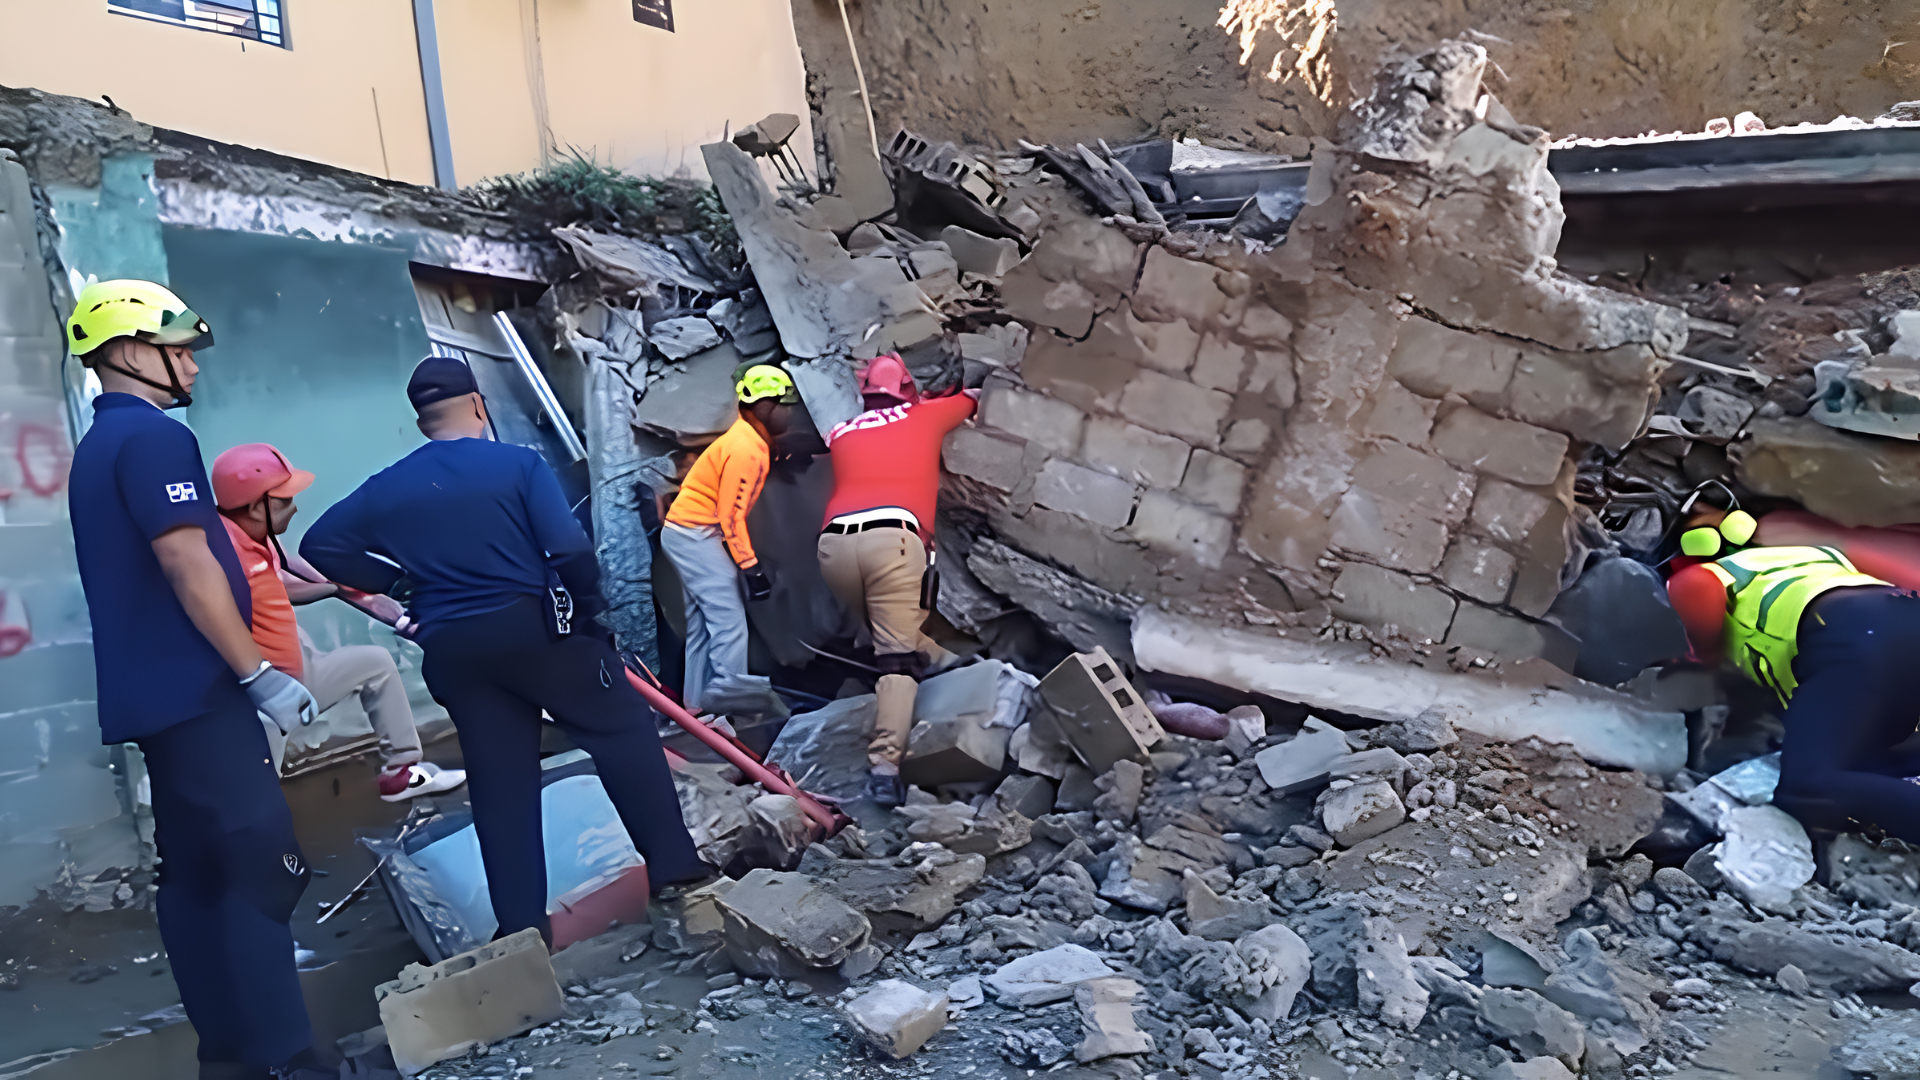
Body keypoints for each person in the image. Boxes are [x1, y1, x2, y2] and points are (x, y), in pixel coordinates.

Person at [300, 357, 706, 945]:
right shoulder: (517, 463)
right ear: (479, 404)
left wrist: (399, 586)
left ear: (421, 424)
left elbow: (321, 547)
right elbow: (567, 549)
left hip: (454, 648)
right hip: (534, 629)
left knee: (499, 782)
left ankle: (521, 927)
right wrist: (587, 612)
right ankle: (675, 869)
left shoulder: (386, 487)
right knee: (620, 731)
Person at [65, 280, 329, 1080]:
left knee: (195, 881)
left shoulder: (97, 447)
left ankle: (232, 1062)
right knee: (261, 872)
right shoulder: (152, 443)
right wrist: (257, 675)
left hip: (158, 702)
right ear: (126, 352)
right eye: (178, 351)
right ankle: (288, 1064)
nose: (193, 367)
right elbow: (185, 560)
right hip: (201, 696)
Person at [211, 442, 466, 800]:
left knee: (374, 663)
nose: (295, 507)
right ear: (255, 507)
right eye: (284, 500)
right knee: (255, 797)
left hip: (289, 666)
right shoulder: (224, 555)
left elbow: (286, 567)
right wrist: (334, 590)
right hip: (276, 689)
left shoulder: (244, 529)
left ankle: (400, 772)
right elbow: (284, 589)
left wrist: (365, 597)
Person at [1664, 502, 1920, 842]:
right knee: (1867, 752)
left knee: (1806, 788)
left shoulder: (1717, 573)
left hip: (1851, 636)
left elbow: (1697, 589)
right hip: (1902, 613)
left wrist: (1702, 657)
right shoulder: (1822, 555)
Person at [816, 354, 979, 805]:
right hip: (893, 540)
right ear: (909, 388)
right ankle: (885, 766)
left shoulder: (842, 431)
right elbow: (974, 401)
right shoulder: (923, 415)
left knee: (883, 622)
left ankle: (943, 661)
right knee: (896, 657)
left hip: (833, 548)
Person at [659, 364, 798, 715]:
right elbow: (730, 516)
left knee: (703, 624)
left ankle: (696, 710)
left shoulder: (747, 439)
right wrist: (750, 567)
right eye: (785, 404)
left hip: (685, 532)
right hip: (695, 534)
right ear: (764, 406)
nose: (790, 412)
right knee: (728, 621)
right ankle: (728, 711)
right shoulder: (745, 449)